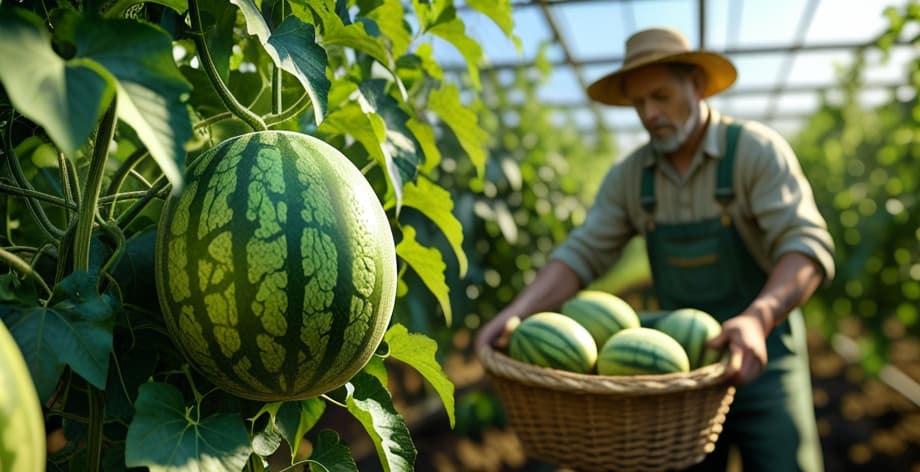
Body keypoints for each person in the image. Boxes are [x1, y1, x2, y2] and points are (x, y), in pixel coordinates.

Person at [475, 27, 835, 472]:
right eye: (639, 103)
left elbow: (806, 245)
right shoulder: (631, 177)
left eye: (661, 96)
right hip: (675, 380)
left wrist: (759, 317)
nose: (649, 113)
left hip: (766, 358)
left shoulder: (754, 152)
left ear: (697, 86)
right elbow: (582, 253)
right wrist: (519, 311)